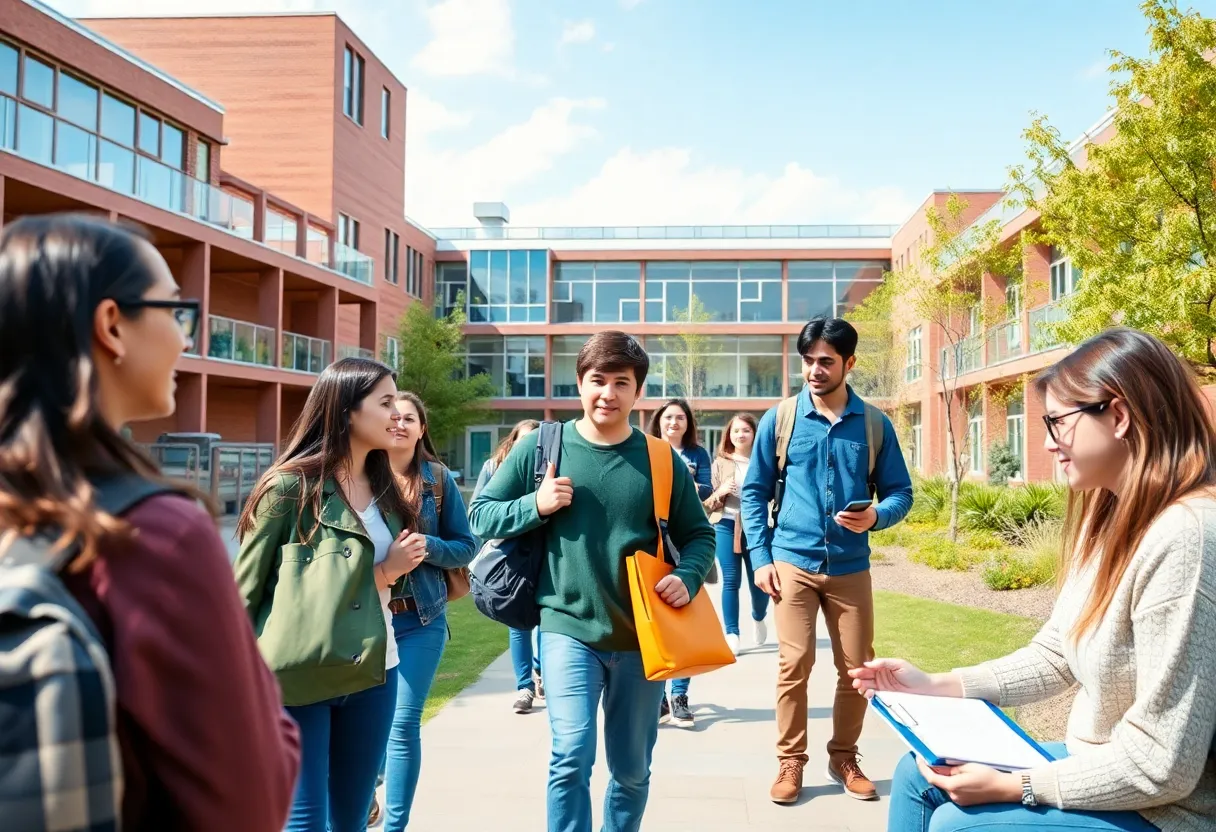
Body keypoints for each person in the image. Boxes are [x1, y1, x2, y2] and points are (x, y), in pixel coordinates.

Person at [0, 214, 300, 830]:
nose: (185, 340)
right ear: (112, 325)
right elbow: (249, 803)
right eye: (174, 312)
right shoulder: (153, 536)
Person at [852, 327, 1216, 832]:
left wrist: (1018, 785)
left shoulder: (1187, 536)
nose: (1045, 443)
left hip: (1163, 809)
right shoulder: (1109, 514)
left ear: (1119, 416)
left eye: (1057, 422)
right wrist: (938, 686)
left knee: (956, 824)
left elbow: (1162, 766)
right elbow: (1056, 653)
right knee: (918, 775)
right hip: (1097, 762)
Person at [469, 330, 716, 832]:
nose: (608, 393)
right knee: (570, 754)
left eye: (621, 382)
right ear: (579, 383)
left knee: (631, 770)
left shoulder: (662, 459)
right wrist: (535, 505)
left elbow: (699, 537)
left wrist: (688, 577)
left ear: (637, 391)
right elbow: (480, 514)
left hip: (643, 640)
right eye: (597, 380)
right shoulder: (542, 445)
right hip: (566, 628)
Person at [234, 357, 423, 832]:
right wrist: (385, 573)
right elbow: (242, 596)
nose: (396, 413)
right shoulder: (288, 489)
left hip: (375, 672)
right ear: (345, 412)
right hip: (296, 680)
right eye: (384, 403)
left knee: (353, 816)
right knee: (304, 819)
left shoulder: (387, 488)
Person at [741, 316, 913, 804]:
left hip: (850, 567)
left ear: (849, 364)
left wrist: (877, 515)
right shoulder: (781, 419)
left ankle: (844, 756)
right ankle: (790, 762)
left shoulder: (875, 423)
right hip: (791, 561)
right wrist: (761, 557)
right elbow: (754, 494)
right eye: (808, 361)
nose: (815, 370)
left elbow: (901, 491)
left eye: (826, 362)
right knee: (793, 663)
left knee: (857, 669)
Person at [377, 390, 477, 831]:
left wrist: (428, 547)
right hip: (363, 619)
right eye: (391, 416)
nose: (399, 424)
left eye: (409, 419)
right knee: (365, 724)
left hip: (420, 619)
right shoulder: (356, 477)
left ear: (421, 429)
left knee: (401, 722)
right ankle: (363, 798)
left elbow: (466, 546)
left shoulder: (436, 479)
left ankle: (394, 825)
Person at [646, 398, 713, 729]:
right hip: (655, 546)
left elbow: (706, 493)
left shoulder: (698, 454)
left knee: (683, 625)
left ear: (688, 424)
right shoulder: (646, 450)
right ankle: (658, 698)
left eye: (680, 418)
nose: (674, 423)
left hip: (685, 545)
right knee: (657, 628)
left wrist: (689, 482)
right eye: (668, 417)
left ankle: (680, 697)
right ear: (659, 421)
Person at [472, 418, 545, 714]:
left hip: (543, 556)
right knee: (517, 624)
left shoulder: (549, 471)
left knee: (544, 621)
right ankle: (524, 686)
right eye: (523, 441)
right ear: (513, 441)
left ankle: (540, 672)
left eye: (535, 442)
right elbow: (477, 515)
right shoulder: (494, 468)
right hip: (509, 557)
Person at [701, 413, 769, 655]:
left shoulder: (765, 460)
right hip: (726, 525)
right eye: (736, 431)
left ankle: (758, 616)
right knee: (731, 580)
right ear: (729, 435)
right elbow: (706, 504)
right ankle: (732, 633)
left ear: (754, 433)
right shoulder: (719, 463)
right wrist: (720, 491)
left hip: (758, 526)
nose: (740, 435)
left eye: (746, 430)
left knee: (759, 581)